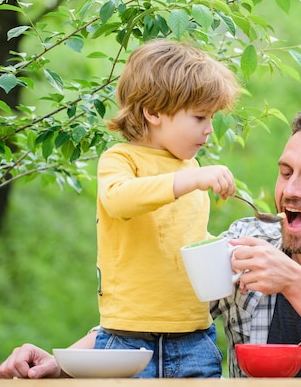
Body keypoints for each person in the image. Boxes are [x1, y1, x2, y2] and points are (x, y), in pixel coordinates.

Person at [0, 103, 301, 379]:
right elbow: (161, 313)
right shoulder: (246, 241)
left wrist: (293, 281)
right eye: (285, 173)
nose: (290, 190)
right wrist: (66, 363)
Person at [86, 38, 239, 378]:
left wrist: (226, 251)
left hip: (194, 337)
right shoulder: (121, 159)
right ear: (153, 112)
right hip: (128, 340)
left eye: (211, 117)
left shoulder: (190, 169)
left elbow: (185, 238)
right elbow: (120, 199)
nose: (209, 129)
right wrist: (193, 180)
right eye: (200, 116)